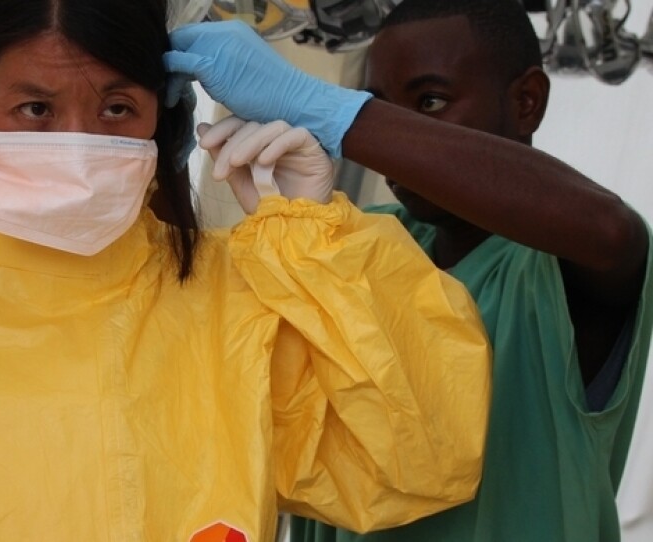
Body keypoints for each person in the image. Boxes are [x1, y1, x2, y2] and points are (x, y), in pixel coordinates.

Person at [0, 1, 494, 540]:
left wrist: (321, 241)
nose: (79, 141)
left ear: (162, 117)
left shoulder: (232, 297)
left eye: (117, 107)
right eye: (35, 107)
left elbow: (419, 457)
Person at [163, 0, 653, 540]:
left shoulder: (554, 273)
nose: (388, 140)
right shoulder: (352, 243)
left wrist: (330, 111)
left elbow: (611, 232)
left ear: (527, 102)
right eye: (378, 105)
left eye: (431, 101)